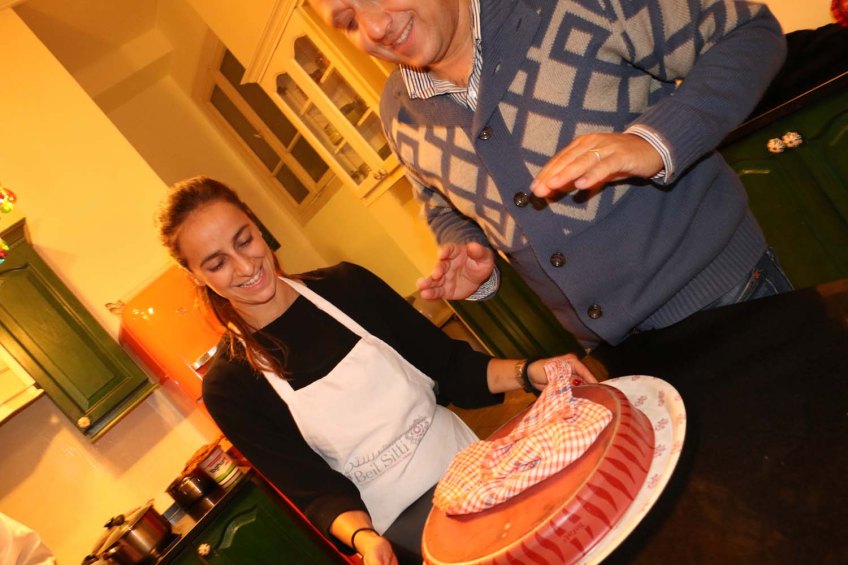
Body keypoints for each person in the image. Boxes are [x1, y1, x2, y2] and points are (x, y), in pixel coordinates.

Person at [155, 176, 596, 565]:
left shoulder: (348, 288)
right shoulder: (231, 386)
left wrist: (530, 371)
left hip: (485, 473)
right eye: (216, 263)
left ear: (256, 224)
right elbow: (315, 490)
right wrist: (365, 539)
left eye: (244, 240)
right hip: (407, 533)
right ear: (195, 275)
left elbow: (452, 367)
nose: (245, 266)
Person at [307, 0, 793, 348]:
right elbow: (437, 204)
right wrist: (463, 246)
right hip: (612, 354)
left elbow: (749, 33)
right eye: (348, 22)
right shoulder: (398, 113)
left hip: (733, 300)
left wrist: (654, 140)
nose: (373, 27)